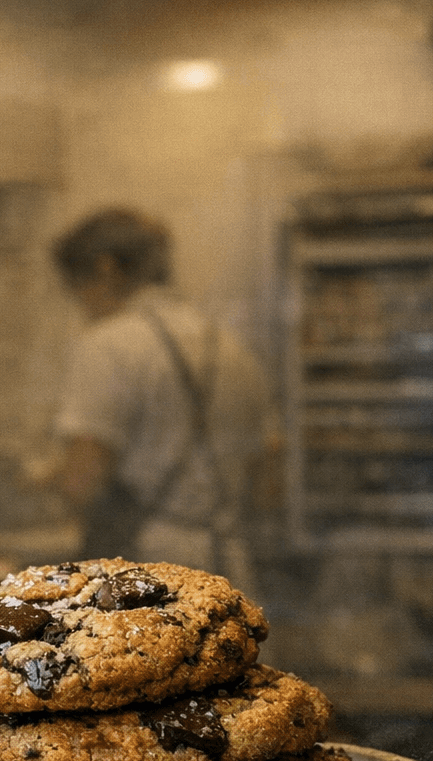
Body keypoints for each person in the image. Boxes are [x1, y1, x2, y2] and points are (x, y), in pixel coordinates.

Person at [43, 207, 278, 589]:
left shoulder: (108, 346)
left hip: (146, 571)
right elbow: (267, 478)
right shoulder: (235, 350)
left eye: (78, 291)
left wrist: (47, 480)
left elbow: (82, 481)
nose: (81, 307)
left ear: (105, 271)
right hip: (231, 567)